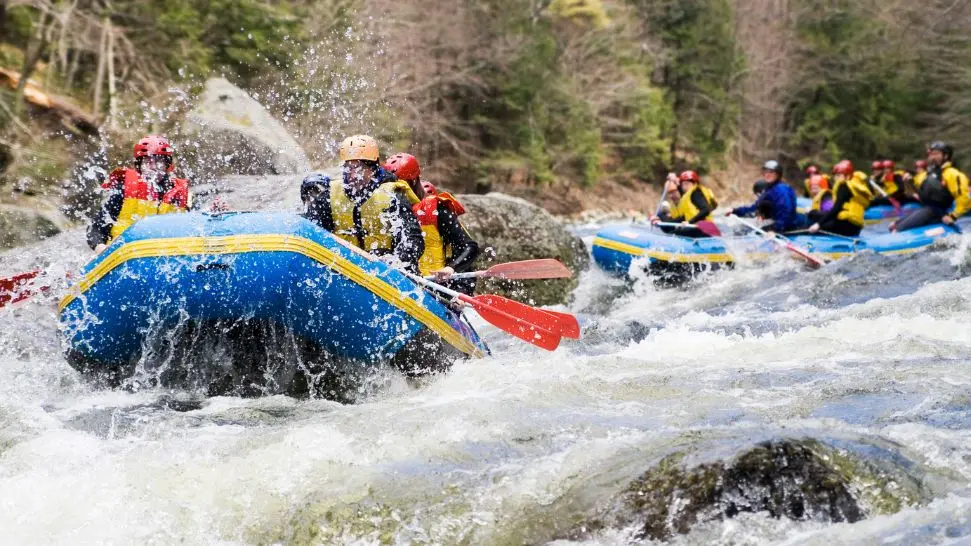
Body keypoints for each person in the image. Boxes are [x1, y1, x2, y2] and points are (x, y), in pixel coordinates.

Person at [302, 135, 425, 272]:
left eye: (358, 169)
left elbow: (414, 239)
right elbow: (311, 229)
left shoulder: (392, 197)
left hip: (385, 273)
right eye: (348, 169)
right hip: (346, 270)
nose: (353, 175)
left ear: (372, 168)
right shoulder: (329, 196)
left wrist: (397, 260)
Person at [383, 153, 480, 294]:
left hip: (441, 288)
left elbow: (470, 248)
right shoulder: (387, 209)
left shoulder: (438, 211)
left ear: (414, 182)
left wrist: (451, 269)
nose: (398, 193)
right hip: (409, 285)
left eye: (401, 186)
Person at [87, 135, 191, 251]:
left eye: (159, 161)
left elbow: (195, 224)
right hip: (124, 254)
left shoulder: (180, 194)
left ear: (167, 165)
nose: (153, 167)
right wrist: (101, 248)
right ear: (139, 165)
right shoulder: (123, 189)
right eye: (147, 161)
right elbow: (95, 229)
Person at [890, 141, 971, 232]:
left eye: (936, 154)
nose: (933, 157)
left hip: (938, 212)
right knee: (892, 226)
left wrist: (953, 216)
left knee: (896, 230)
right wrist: (907, 182)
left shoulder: (953, 174)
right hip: (926, 209)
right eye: (931, 154)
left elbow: (965, 199)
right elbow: (910, 193)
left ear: (946, 156)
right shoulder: (926, 174)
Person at [727, 160, 802, 232]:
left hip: (783, 226)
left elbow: (786, 213)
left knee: (744, 231)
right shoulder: (769, 189)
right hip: (773, 223)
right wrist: (735, 211)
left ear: (778, 174)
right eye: (765, 172)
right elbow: (754, 207)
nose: (767, 174)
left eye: (771, 172)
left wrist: (774, 230)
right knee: (739, 229)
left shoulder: (781, 190)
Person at [807, 160, 873, 237]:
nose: (836, 178)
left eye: (839, 175)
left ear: (847, 176)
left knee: (814, 223)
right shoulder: (855, 185)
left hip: (846, 226)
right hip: (855, 227)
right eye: (836, 175)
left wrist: (818, 224)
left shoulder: (844, 187)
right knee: (820, 216)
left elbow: (836, 209)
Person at [650, 170, 719, 238]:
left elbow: (706, 209)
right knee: (671, 230)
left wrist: (690, 222)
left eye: (687, 184)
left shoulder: (696, 193)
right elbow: (681, 190)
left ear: (694, 184)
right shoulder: (688, 195)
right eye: (683, 184)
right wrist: (660, 222)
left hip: (701, 228)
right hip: (695, 227)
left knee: (673, 235)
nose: (684, 187)